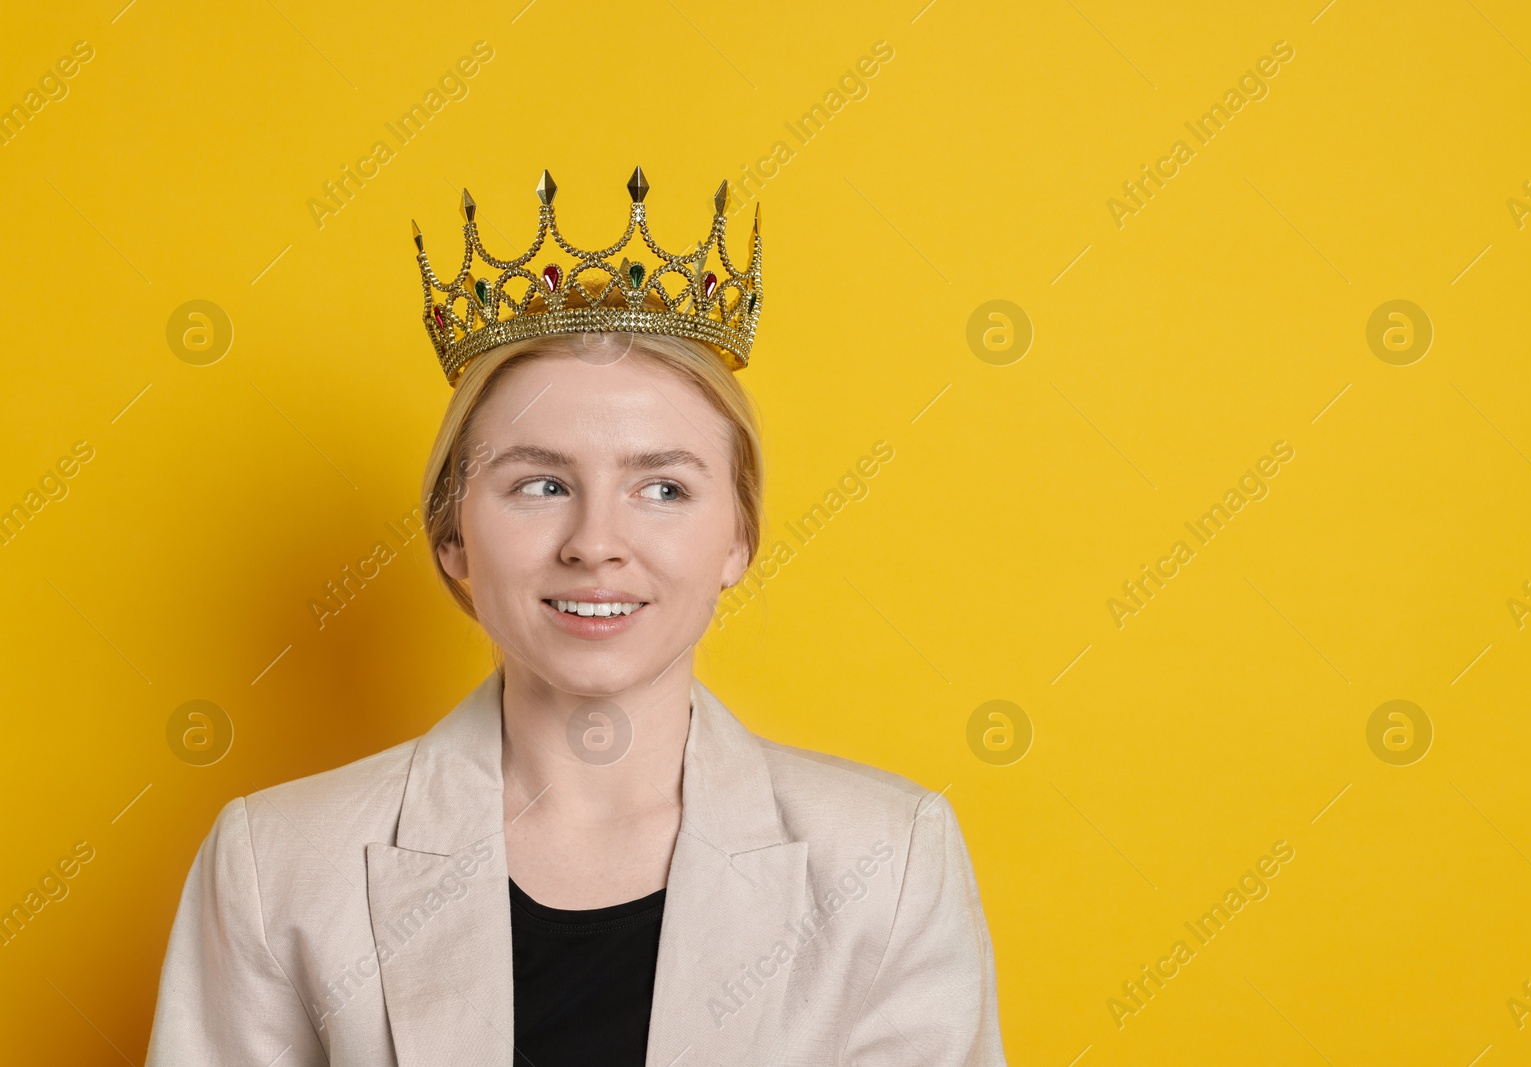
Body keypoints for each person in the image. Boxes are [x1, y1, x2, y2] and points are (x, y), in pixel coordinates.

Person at [145, 169, 1006, 1066]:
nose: (596, 542)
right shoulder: (276, 864)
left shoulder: (888, 861)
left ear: (737, 541)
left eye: (663, 487)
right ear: (455, 542)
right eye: (541, 484)